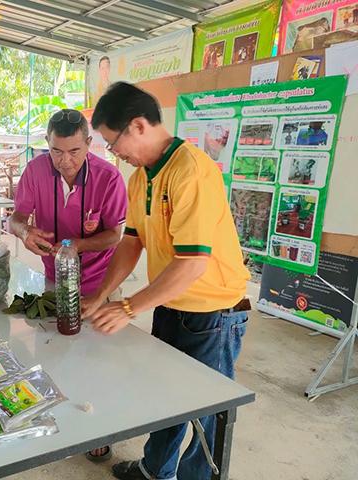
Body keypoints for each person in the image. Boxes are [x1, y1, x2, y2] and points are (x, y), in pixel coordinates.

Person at [84, 82, 250, 480]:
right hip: (172, 305)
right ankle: (154, 470)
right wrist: (102, 294)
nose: (114, 153)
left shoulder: (191, 170)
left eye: (112, 142)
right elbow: (131, 243)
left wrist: (128, 307)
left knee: (204, 412)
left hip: (214, 314)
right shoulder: (141, 178)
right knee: (162, 397)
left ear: (138, 126)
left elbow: (192, 264)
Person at [9, 108, 127, 299]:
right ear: (47, 142)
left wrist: (78, 245)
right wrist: (24, 232)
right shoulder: (34, 171)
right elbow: (16, 218)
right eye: (56, 151)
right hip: (54, 279)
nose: (65, 161)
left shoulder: (109, 178)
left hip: (100, 285)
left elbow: (114, 235)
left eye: (74, 151)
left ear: (88, 144)